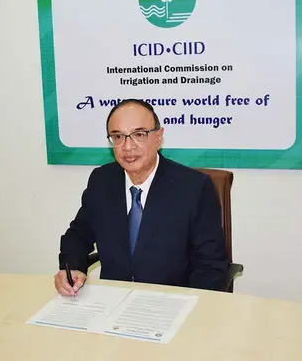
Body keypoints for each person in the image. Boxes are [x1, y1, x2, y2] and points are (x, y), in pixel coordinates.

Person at [54, 99, 228, 296]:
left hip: (171, 300)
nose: (127, 146)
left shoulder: (193, 187)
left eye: (139, 134)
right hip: (114, 299)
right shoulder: (102, 180)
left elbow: (211, 265)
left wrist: (190, 304)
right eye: (118, 136)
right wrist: (72, 267)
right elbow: (78, 234)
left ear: (158, 137)